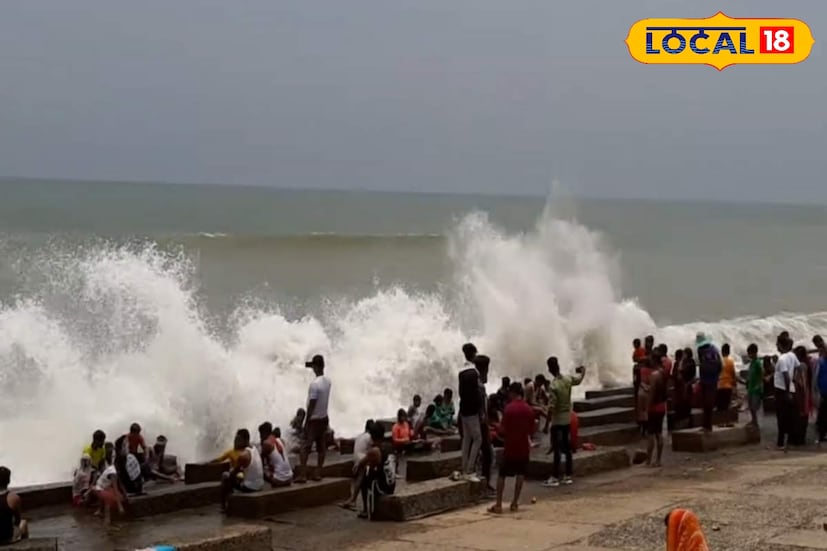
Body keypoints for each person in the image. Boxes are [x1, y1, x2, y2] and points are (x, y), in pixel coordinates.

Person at [488, 382, 534, 514]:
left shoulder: (508, 409)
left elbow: (503, 430)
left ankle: (498, 504)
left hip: (510, 447)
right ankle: (514, 503)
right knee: (520, 474)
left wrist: (496, 428)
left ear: (513, 393)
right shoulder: (528, 409)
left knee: (502, 474)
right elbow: (531, 429)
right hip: (523, 447)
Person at [543, 357, 585, 487]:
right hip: (567, 419)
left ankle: (555, 476)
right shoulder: (567, 379)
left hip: (557, 421)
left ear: (549, 369)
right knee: (567, 448)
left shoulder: (554, 385)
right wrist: (583, 371)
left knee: (557, 448)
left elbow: (552, 407)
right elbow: (578, 380)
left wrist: (546, 424)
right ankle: (568, 475)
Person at [296, 354, 332, 483]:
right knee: (321, 448)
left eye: (313, 366)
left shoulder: (314, 385)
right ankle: (318, 473)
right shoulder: (328, 382)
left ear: (316, 367)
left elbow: (312, 404)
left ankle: (303, 475)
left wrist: (306, 421)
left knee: (305, 447)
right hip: (324, 417)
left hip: (314, 420)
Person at [359, 423, 397, 520]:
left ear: (371, 436)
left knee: (364, 477)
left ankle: (365, 510)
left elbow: (360, 463)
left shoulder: (375, 451)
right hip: (391, 485)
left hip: (382, 488)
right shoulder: (390, 446)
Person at [220, 429, 264, 511]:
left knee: (225, 476)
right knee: (237, 477)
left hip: (251, 487)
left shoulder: (243, 455)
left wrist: (231, 471)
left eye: (238, 439)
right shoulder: (254, 448)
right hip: (260, 484)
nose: (236, 442)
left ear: (244, 440)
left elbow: (233, 474)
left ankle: (225, 506)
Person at [458, 343, 483, 482]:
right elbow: (477, 394)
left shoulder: (461, 372)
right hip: (472, 410)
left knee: (467, 439)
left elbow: (462, 393)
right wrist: (480, 410)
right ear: (473, 354)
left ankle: (464, 468)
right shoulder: (475, 372)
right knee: (478, 439)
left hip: (463, 409)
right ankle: (469, 469)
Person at [340, 420, 375, 510]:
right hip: (361, 459)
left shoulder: (360, 436)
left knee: (360, 478)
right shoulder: (369, 437)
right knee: (361, 477)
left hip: (355, 458)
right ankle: (353, 500)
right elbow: (373, 450)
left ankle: (353, 499)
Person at [774, 334, 798, 451]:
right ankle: (789, 441)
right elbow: (798, 368)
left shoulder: (782, 359)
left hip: (782, 390)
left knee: (781, 418)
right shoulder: (792, 356)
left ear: (781, 345)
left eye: (777, 344)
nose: (776, 346)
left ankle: (780, 443)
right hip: (789, 389)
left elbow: (786, 376)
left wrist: (787, 391)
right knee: (788, 417)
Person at [475, 355, 495, 494]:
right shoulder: (479, 387)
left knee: (484, 456)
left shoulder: (476, 385)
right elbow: (481, 411)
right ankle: (485, 484)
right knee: (487, 455)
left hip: (477, 425)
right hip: (480, 426)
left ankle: (484, 483)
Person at [92, 445, 125, 526]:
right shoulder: (113, 472)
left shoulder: (113, 468)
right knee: (110, 500)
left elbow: (119, 483)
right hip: (99, 488)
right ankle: (107, 521)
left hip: (106, 487)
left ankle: (103, 513)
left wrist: (125, 493)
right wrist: (120, 506)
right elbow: (115, 488)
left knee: (120, 498)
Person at [696, 333, 722, 432]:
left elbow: (701, 365)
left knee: (706, 404)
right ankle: (707, 425)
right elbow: (720, 365)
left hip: (707, 380)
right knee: (708, 404)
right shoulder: (714, 349)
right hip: (712, 380)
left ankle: (707, 426)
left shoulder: (701, 351)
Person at [646, 359, 667, 467]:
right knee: (659, 433)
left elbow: (652, 392)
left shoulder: (654, 375)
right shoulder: (663, 373)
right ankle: (658, 460)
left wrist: (647, 407)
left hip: (654, 407)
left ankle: (649, 460)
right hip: (662, 406)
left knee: (650, 434)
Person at [0, 467, 28, 544]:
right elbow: (17, 520)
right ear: (8, 480)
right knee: (24, 523)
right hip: (6, 539)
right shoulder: (13, 498)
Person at [744, 344, 763, 428]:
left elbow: (761, 374)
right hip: (751, 387)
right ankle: (753, 421)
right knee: (750, 406)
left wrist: (759, 385)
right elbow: (750, 374)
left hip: (756, 388)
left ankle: (755, 422)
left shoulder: (758, 363)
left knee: (754, 407)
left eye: (750, 353)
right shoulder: (752, 362)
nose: (749, 355)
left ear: (754, 353)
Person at [717, 344, 736, 413]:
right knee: (727, 406)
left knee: (720, 407)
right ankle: (727, 422)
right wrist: (735, 386)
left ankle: (721, 423)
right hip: (728, 386)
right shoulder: (731, 362)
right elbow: (733, 375)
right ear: (729, 352)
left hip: (719, 386)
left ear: (722, 352)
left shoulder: (719, 361)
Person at [815, 339, 827, 445]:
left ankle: (822, 434)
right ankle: (822, 435)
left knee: (823, 414)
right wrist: (816, 392)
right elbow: (815, 378)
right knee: (822, 414)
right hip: (823, 393)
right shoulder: (820, 362)